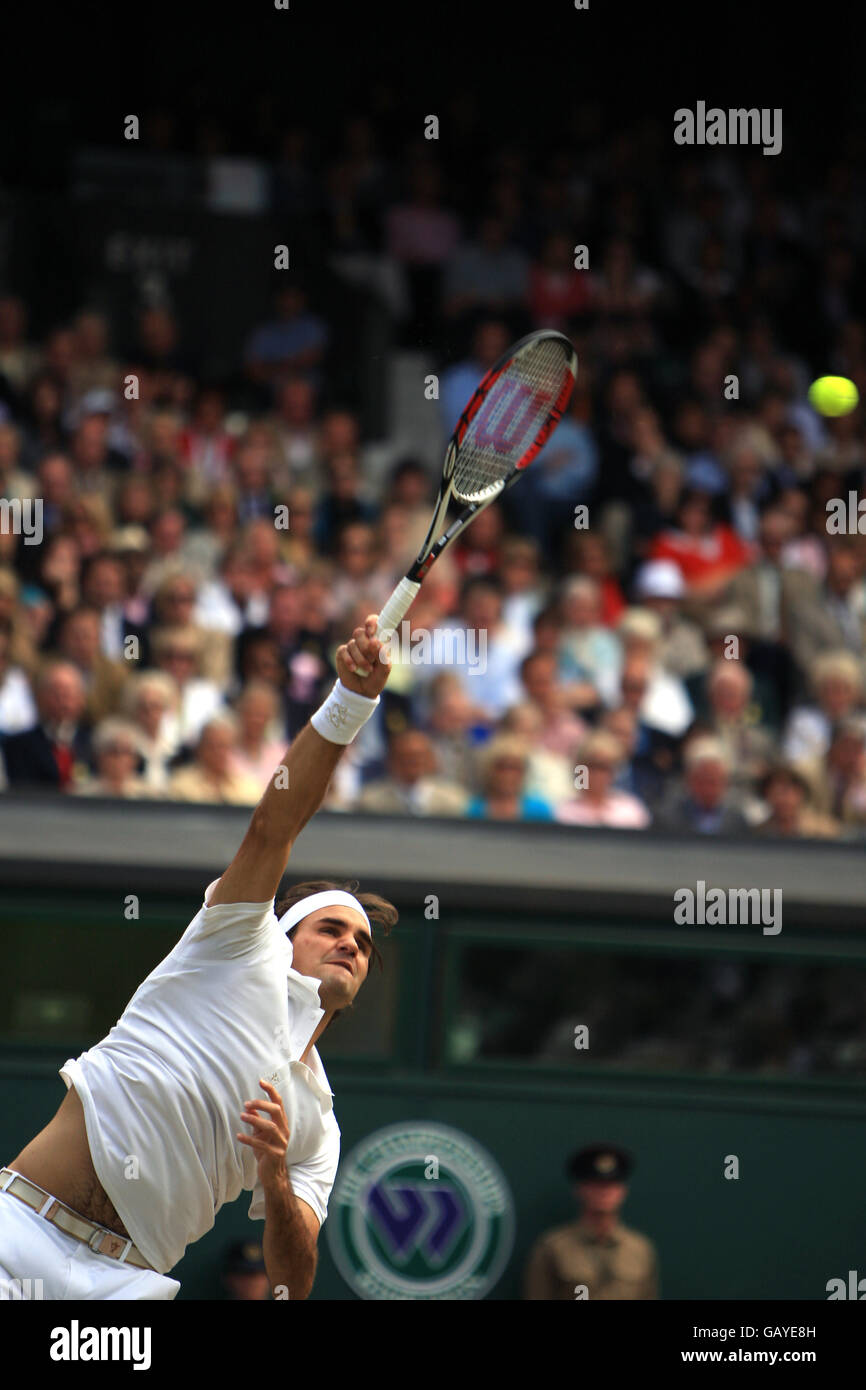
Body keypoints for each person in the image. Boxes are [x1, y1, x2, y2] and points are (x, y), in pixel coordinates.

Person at [0, 615, 396, 1299]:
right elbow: (277, 821)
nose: (349, 946)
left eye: (361, 945)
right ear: (285, 933)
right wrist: (350, 701)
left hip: (127, 1285)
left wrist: (273, 1172)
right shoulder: (238, 944)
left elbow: (293, 1283)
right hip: (19, 1230)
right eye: (331, 928)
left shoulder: (318, 1127)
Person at [523, 1144, 659, 1300]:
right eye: (596, 1185)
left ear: (622, 1191)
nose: (604, 1192)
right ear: (580, 1189)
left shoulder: (640, 1249)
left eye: (610, 1185)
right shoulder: (553, 1247)